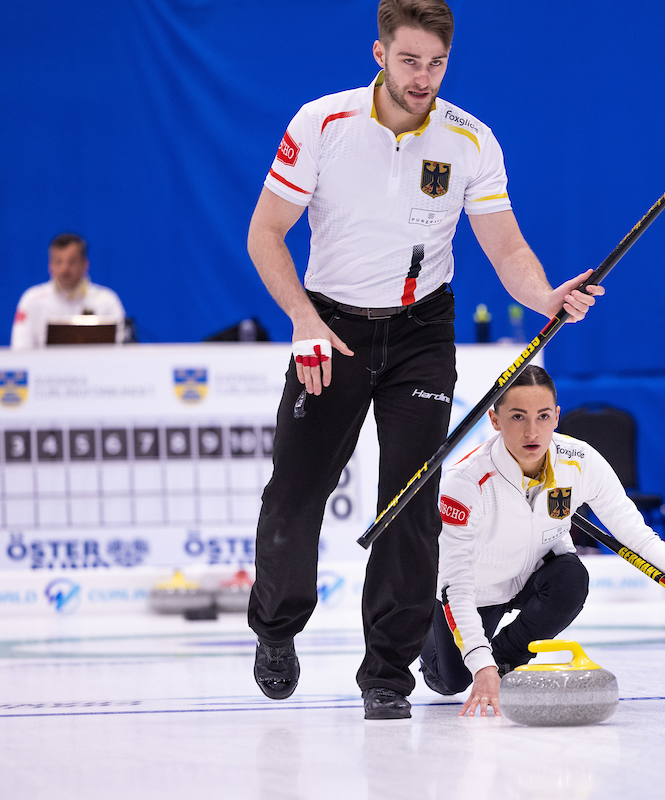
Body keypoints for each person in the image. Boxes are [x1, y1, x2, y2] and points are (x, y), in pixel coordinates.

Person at [246, 0, 603, 720]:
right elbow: (266, 234)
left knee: (411, 506)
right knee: (295, 492)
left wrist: (545, 296)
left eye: (436, 62)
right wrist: (303, 320)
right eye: (409, 60)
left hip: (420, 331)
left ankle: (387, 672)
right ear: (379, 54)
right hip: (332, 323)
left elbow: (506, 247)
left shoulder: (470, 139)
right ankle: (277, 629)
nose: (424, 77)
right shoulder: (322, 123)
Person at [420, 365, 665, 717]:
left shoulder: (580, 461)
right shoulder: (466, 481)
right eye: (517, 416)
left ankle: (506, 660)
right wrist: (480, 665)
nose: (531, 430)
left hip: (535, 576)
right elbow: (456, 585)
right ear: (494, 420)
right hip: (475, 589)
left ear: (556, 416)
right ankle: (422, 626)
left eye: (542, 416)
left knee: (570, 579)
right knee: (451, 681)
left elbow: (637, 535)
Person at [10, 233, 125, 349]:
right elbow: (20, 350)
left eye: (72, 262)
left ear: (85, 264)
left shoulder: (107, 300)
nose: (64, 269)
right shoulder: (32, 300)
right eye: (58, 262)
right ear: (50, 266)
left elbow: (121, 348)